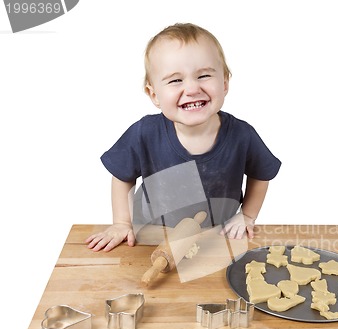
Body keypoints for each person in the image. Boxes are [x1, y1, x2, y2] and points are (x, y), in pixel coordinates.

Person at [86, 23, 281, 252]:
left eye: (204, 75)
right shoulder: (144, 133)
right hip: (151, 234)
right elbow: (121, 176)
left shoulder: (242, 135)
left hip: (216, 237)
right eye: (175, 80)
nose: (192, 88)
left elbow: (262, 173)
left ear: (225, 83)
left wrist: (246, 216)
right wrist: (121, 223)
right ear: (154, 94)